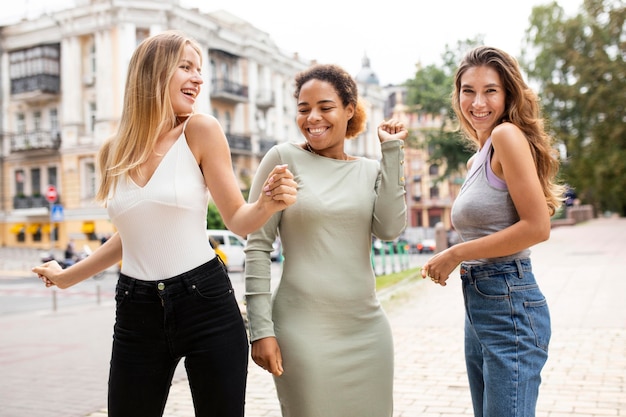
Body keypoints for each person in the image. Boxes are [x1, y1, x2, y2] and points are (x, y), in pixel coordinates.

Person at [32, 30, 297, 417]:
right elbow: (133, 234)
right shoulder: (113, 150)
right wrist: (68, 276)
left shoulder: (200, 130)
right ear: (152, 72)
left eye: (199, 70)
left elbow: (239, 220)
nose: (198, 78)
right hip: (136, 310)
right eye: (186, 67)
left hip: (205, 300)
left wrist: (268, 203)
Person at [244, 63, 407, 417]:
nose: (313, 117)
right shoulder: (283, 159)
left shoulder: (369, 170)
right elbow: (257, 246)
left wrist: (392, 154)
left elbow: (390, 229)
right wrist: (260, 330)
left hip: (367, 332)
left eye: (325, 107)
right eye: (304, 109)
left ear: (350, 109)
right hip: (302, 333)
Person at [420, 46, 564, 417]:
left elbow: (537, 227)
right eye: (468, 90)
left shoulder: (507, 136)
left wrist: (455, 253)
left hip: (509, 301)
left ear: (508, 95)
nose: (477, 101)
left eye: (490, 91)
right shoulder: (477, 157)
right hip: (481, 301)